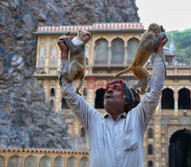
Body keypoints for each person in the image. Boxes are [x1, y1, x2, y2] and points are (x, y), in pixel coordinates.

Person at [58, 33, 168, 167]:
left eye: (115, 88)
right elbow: (69, 93)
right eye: (106, 90)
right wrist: (64, 56)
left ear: (126, 100)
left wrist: (159, 52)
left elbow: (155, 90)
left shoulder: (137, 118)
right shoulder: (93, 120)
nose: (108, 91)